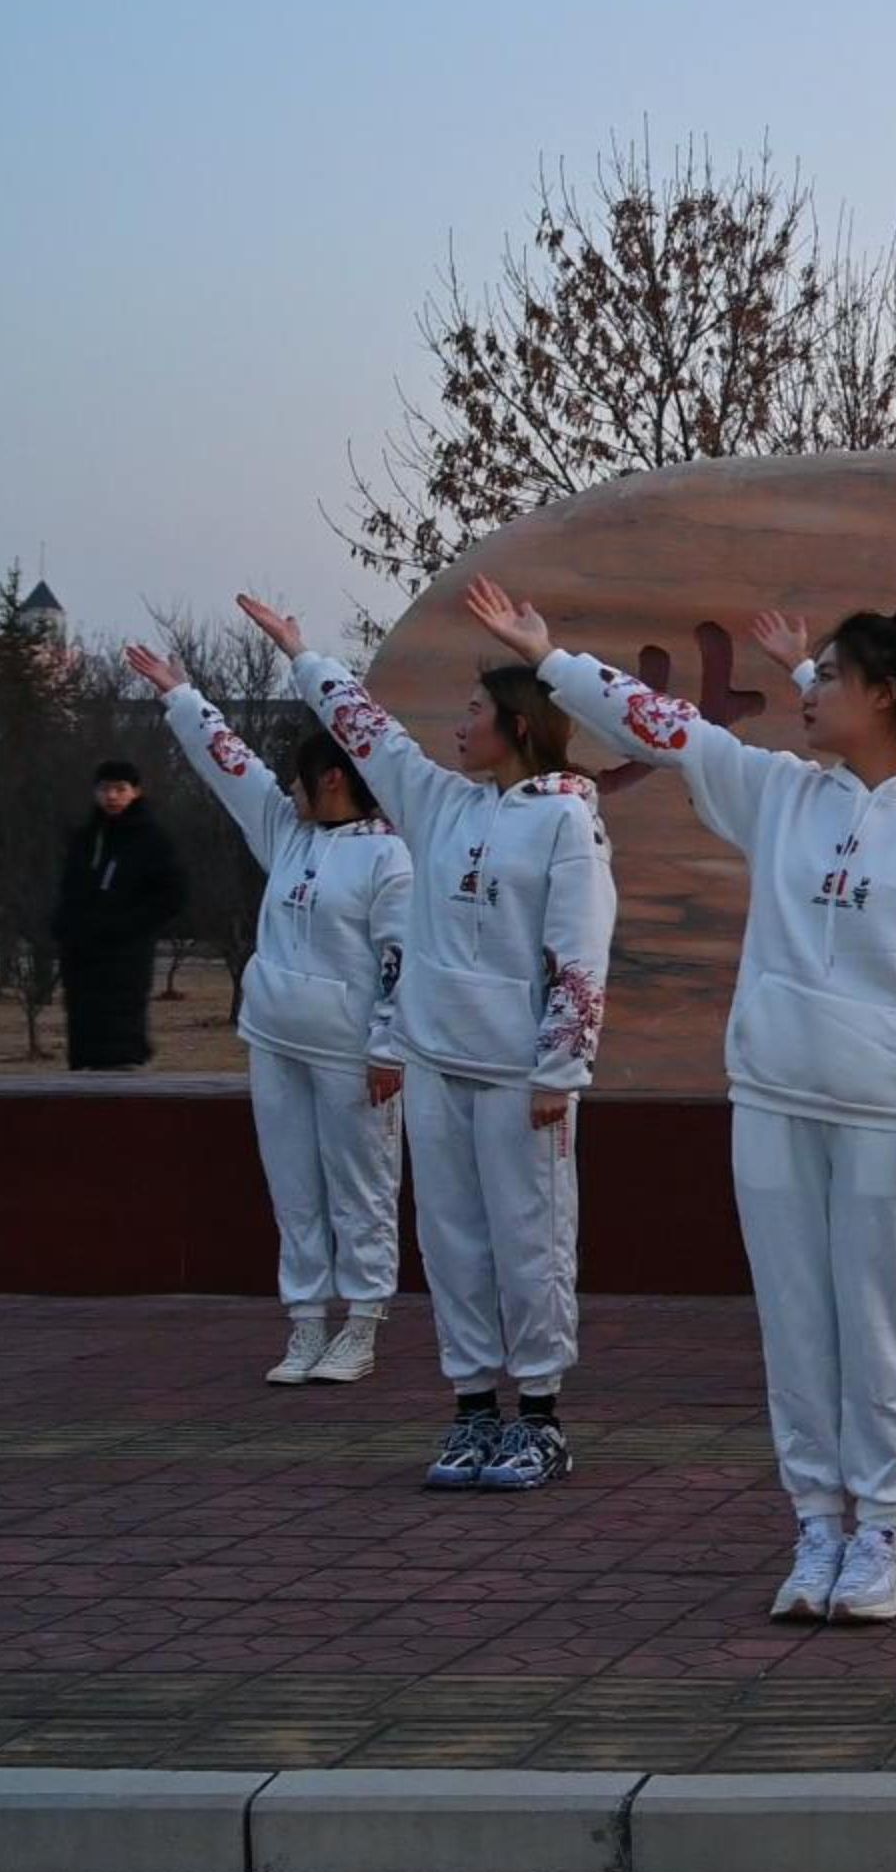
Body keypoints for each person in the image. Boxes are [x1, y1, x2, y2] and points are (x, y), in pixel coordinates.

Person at [479, 582, 896, 1626]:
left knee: (882, 1322)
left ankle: (879, 1534)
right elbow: (670, 728)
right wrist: (551, 659)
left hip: (884, 1119)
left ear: (885, 694)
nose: (807, 696)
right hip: (772, 1093)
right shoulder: (782, 794)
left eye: (832, 682)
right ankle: (816, 1519)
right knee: (797, 1322)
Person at [246, 591, 613, 1492]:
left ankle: (540, 1417)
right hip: (438, 1063)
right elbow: (371, 733)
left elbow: (580, 945)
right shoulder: (441, 806)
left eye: (477, 713)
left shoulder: (567, 818)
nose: (460, 726)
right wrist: (304, 656)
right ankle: (472, 1412)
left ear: (520, 726)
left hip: (523, 1074)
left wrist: (562, 1065)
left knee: (530, 1241)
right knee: (451, 1242)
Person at [132, 646, 413, 1386]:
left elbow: (399, 959)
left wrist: (390, 1048)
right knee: (292, 1183)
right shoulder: (286, 833)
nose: (284, 787)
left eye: (298, 776)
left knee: (362, 1186)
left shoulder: (389, 859)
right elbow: (232, 768)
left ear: (330, 779)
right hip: (275, 1038)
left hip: (353, 1054)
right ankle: (304, 1323)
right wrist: (182, 697)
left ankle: (362, 1324)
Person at [52, 759, 185, 1069]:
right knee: (84, 1031)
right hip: (82, 957)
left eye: (119, 789)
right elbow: (70, 888)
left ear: (135, 792)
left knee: (120, 1037)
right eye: (105, 789)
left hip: (126, 957)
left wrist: (128, 927)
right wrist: (64, 927)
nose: (112, 797)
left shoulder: (151, 840)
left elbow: (172, 895)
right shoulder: (86, 838)